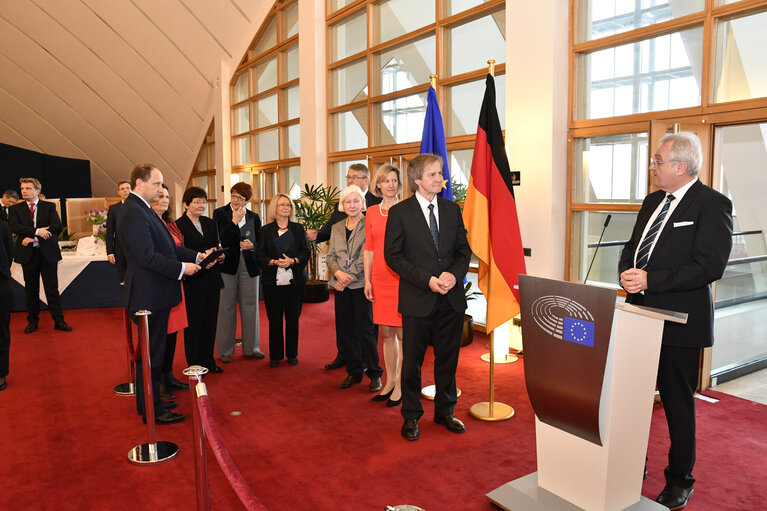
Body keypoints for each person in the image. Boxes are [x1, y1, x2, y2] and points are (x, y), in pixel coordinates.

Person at [619, 132, 733, 510]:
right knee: (631, 398)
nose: (652, 166)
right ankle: (632, 465)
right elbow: (633, 247)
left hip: (680, 322)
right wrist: (626, 273)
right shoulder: (653, 201)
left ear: (680, 167)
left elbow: (709, 266)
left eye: (657, 160)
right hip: (638, 316)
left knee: (676, 404)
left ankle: (680, 480)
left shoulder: (712, 205)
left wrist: (653, 280)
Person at [384, 154, 471, 442]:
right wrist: (427, 280)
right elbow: (392, 257)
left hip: (451, 299)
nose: (440, 179)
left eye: (440, 173)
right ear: (418, 180)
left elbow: (463, 251)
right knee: (413, 363)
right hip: (418, 299)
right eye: (433, 174)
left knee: (448, 359)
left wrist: (453, 275)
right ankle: (411, 415)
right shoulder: (400, 213)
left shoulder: (451, 209)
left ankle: (445, 411)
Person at [118, 163, 212, 425]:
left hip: (154, 293)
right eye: (157, 184)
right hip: (148, 297)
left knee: (153, 355)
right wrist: (184, 268)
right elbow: (147, 257)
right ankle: (153, 410)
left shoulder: (143, 210)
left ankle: (149, 405)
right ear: (139, 183)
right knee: (152, 357)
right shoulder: (135, 212)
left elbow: (168, 248)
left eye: (161, 185)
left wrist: (197, 256)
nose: (161, 190)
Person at [306, 163, 382, 370]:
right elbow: (331, 230)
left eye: (354, 177)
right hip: (341, 278)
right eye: (348, 177)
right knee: (344, 323)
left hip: (364, 277)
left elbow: (373, 246)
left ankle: (368, 362)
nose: (349, 181)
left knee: (366, 326)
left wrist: (348, 275)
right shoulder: (342, 203)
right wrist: (316, 235)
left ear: (366, 180)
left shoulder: (377, 204)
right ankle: (345, 355)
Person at [327, 185, 383, 392]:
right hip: (341, 286)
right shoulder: (336, 227)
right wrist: (339, 274)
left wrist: (350, 275)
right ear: (342, 205)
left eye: (356, 201)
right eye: (348, 202)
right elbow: (331, 256)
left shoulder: (369, 223)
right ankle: (353, 371)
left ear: (362, 203)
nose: (352, 205)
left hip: (361, 284)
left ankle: (375, 373)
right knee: (346, 329)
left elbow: (370, 253)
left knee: (366, 330)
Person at [8, 178, 72, 334]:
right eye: (22, 188)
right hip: (28, 255)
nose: (24, 191)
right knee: (31, 290)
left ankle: (59, 321)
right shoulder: (16, 209)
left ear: (37, 191)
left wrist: (33, 238)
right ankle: (32, 322)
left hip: (47, 254)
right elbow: (14, 226)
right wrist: (38, 232)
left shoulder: (49, 206)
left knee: (52, 289)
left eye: (28, 188)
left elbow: (56, 226)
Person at [364, 164, 403, 405]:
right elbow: (368, 248)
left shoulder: (408, 209)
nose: (390, 184)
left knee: (403, 333)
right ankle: (390, 380)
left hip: (401, 279)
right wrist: (367, 280)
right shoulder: (370, 212)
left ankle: (402, 383)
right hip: (379, 278)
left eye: (394, 180)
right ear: (378, 184)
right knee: (386, 334)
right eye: (386, 180)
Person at [213, 182, 265, 363]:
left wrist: (253, 246)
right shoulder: (220, 213)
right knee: (226, 307)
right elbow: (220, 239)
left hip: (249, 264)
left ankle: (252, 347)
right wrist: (234, 221)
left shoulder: (254, 216)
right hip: (228, 265)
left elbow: (261, 242)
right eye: (233, 196)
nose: (235, 200)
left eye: (240, 198)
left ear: (247, 201)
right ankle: (225, 349)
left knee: (250, 306)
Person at [175, 187, 225, 374]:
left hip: (212, 279)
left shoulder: (210, 223)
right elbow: (178, 253)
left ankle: (208, 360)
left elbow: (218, 247)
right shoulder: (178, 225)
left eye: (203, 201)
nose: (201, 205)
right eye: (196, 201)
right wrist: (202, 258)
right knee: (194, 323)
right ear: (186, 204)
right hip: (193, 280)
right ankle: (195, 363)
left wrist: (218, 256)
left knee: (210, 322)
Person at [256, 193, 309, 368]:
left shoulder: (298, 229)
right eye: (282, 205)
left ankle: (292, 354)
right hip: (273, 282)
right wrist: (273, 262)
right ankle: (275, 355)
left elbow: (305, 252)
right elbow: (260, 255)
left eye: (288, 205)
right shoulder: (266, 230)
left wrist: (293, 261)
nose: (286, 208)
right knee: (275, 320)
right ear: (275, 209)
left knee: (293, 319)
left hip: (295, 282)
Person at [151, 185, 190, 395]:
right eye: (160, 196)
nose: (164, 200)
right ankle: (158, 382)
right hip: (159, 285)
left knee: (173, 333)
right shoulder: (148, 224)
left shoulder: (170, 224)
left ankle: (168, 374)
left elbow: (177, 249)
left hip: (176, 282)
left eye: (167, 196)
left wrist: (198, 256)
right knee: (160, 336)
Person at [106, 180, 132, 283]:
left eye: (127, 188)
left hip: (136, 249)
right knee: (123, 281)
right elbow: (110, 231)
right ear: (118, 192)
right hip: (120, 250)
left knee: (135, 280)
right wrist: (110, 252)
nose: (125, 191)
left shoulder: (138, 207)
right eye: (122, 189)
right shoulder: (113, 209)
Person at [0, 219, 13, 391]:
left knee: (1, 330)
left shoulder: (2, 225)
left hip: (0, 282)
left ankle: (1, 372)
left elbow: (9, 252)